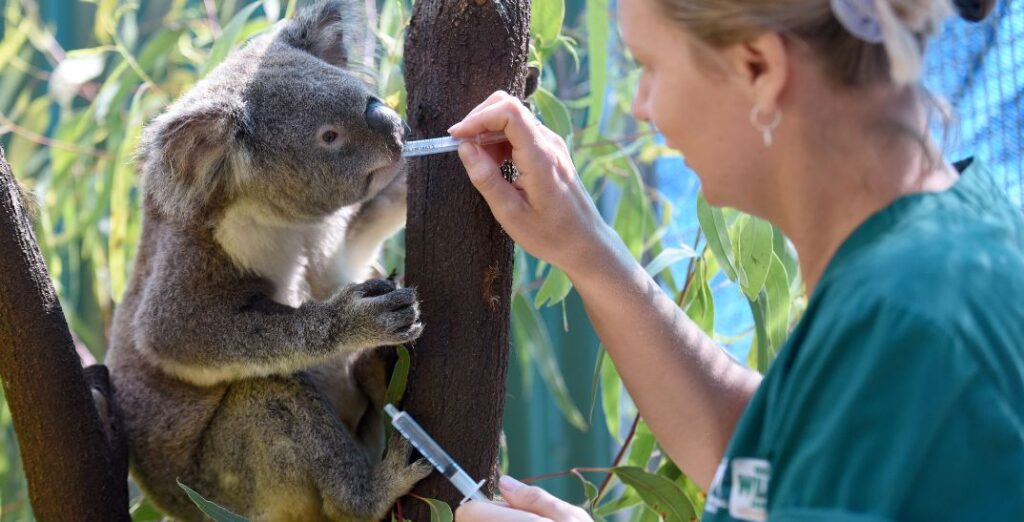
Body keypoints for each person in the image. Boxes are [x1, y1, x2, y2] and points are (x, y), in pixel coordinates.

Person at [448, 0, 1024, 520]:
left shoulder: (911, 330)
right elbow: (769, 461)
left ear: (758, 68)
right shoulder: (943, 251)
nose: (643, 108)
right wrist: (584, 246)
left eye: (649, 67)